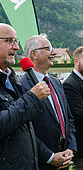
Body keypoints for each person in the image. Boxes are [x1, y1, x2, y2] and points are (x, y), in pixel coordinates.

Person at [20, 34, 77, 170]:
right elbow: (25, 129)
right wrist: (50, 157)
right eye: (49, 48)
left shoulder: (56, 82)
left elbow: (68, 118)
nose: (54, 53)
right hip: (41, 162)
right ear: (34, 54)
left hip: (65, 158)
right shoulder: (22, 85)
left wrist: (71, 147)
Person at [0, 23, 50, 169]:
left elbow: (24, 129)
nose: (16, 47)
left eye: (16, 42)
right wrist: (32, 98)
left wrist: (48, 156)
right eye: (9, 41)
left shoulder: (12, 79)